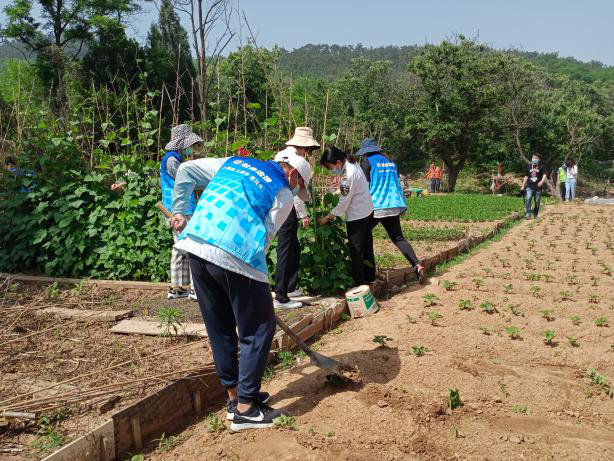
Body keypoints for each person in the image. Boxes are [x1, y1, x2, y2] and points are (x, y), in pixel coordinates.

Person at [170, 153, 313, 431]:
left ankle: (235, 398)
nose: (298, 190)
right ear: (294, 175)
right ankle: (247, 410)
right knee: (259, 328)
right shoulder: (282, 193)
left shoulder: (232, 163)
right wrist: (257, 285)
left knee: (220, 326)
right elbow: (265, 238)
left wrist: (181, 211)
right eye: (300, 185)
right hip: (236, 254)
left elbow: (186, 170)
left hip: (197, 247)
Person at [355, 139, 427, 284]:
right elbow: (397, 184)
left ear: (366, 152)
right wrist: (402, 205)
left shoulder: (368, 162)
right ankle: (417, 265)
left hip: (376, 206)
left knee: (362, 235)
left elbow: (363, 185)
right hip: (393, 205)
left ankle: (369, 272)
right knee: (398, 238)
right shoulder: (391, 162)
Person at [273, 127, 320, 309]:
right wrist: (303, 214)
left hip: (276, 204)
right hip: (286, 205)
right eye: (308, 149)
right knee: (285, 249)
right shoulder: (297, 161)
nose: (307, 153)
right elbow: (296, 193)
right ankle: (281, 295)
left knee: (293, 246)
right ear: (303, 147)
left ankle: (289, 287)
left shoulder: (281, 155)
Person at [319, 146, 375, 287]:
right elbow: (350, 190)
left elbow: (344, 202)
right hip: (367, 211)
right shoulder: (352, 163)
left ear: (338, 163)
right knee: (367, 247)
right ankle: (370, 277)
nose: (331, 171)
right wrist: (339, 191)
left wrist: (328, 216)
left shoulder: (347, 175)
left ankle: (360, 283)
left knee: (356, 250)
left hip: (357, 216)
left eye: (330, 167)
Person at [161, 124, 202, 300]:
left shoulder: (174, 158)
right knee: (190, 245)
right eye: (188, 146)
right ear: (182, 144)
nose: (190, 149)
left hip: (180, 207)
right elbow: (184, 180)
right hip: (180, 210)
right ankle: (194, 288)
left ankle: (178, 287)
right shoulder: (172, 161)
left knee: (180, 246)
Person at [521, 154, 547, 219]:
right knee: (528, 199)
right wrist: (523, 185)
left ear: (539, 159)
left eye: (535, 158)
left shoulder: (542, 166)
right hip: (529, 186)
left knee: (537, 202)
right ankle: (528, 214)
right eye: (533, 157)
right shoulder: (529, 166)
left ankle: (535, 214)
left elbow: (544, 175)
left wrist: (541, 182)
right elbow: (526, 176)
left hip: (538, 187)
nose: (533, 159)